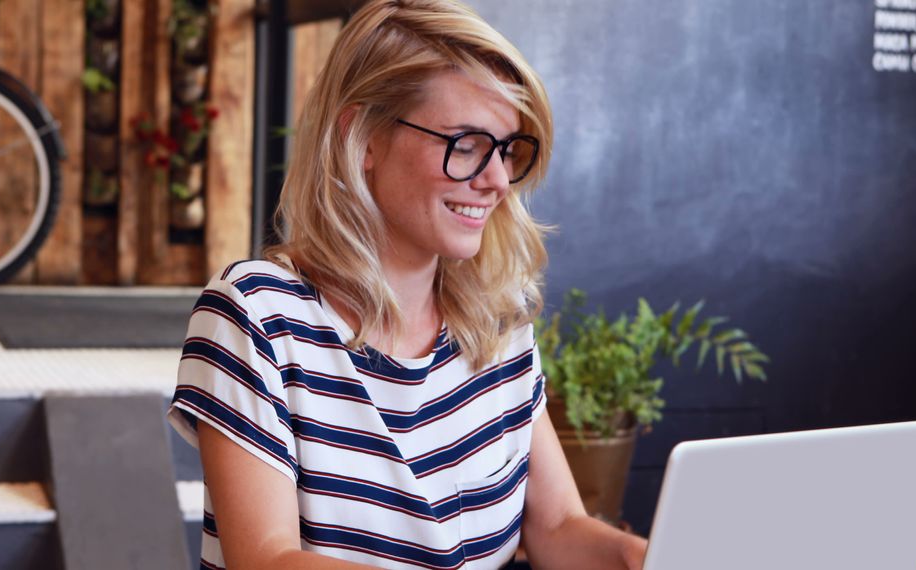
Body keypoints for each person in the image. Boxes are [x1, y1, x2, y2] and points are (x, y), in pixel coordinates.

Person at [166, 0, 648, 568]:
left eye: (506, 149)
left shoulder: (497, 319)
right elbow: (267, 560)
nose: (495, 181)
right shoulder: (257, 315)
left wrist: (647, 556)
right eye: (465, 145)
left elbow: (559, 528)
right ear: (363, 136)